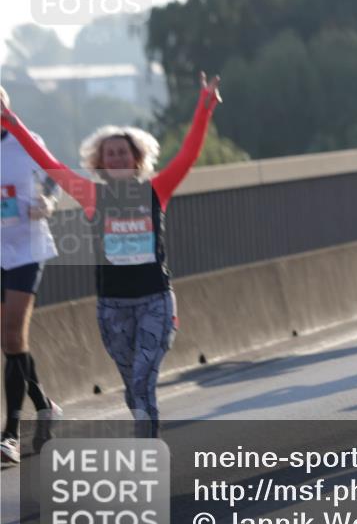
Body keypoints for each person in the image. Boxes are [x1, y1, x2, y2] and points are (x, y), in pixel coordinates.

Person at [1, 73, 221, 438]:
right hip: (113, 306)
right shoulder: (90, 195)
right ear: (100, 162)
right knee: (131, 383)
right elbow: (47, 160)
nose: (117, 157)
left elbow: (189, 154)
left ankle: (146, 441)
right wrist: (11, 121)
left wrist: (204, 106)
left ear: (136, 160)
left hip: (155, 301)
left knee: (142, 378)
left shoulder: (158, 190)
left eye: (124, 152)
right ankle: (142, 418)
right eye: (110, 153)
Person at [0, 86, 61, 464]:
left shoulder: (26, 140)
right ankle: (46, 405)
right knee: (9, 342)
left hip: (28, 247)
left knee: (12, 332)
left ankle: (9, 432)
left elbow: (54, 173)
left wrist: (49, 199)